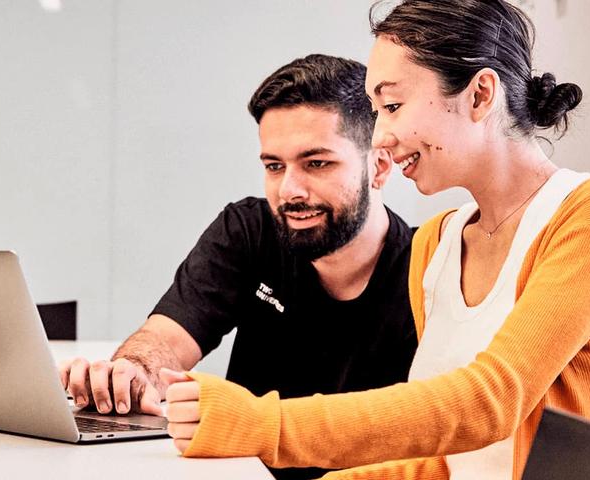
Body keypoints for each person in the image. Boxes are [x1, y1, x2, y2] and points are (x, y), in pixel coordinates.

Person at [162, 1, 590, 479]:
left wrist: (258, 424)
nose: (379, 137)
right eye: (376, 113)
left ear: (480, 95)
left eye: (393, 106)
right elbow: (443, 460)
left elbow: (489, 403)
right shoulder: (437, 242)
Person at [60, 54, 417, 479]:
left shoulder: (429, 264)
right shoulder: (249, 231)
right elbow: (166, 340)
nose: (290, 190)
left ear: (378, 166)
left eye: (317, 163)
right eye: (273, 166)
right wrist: (133, 374)